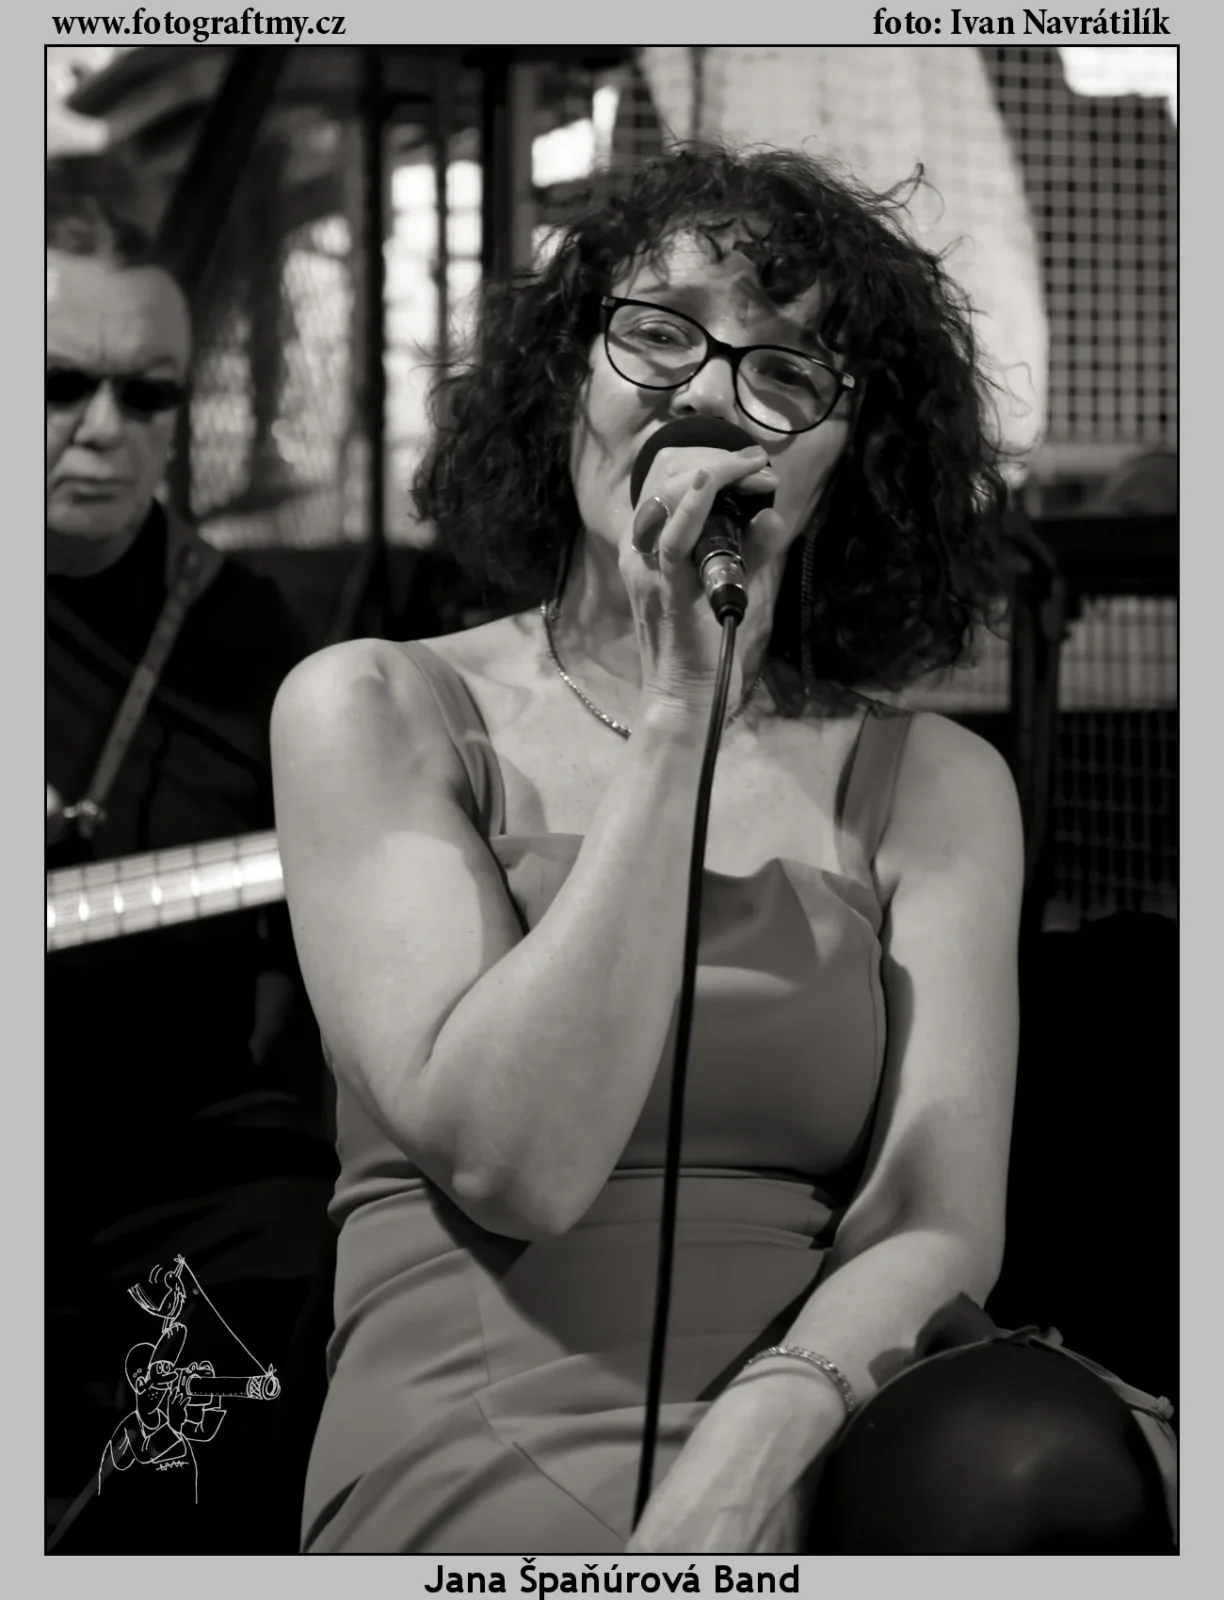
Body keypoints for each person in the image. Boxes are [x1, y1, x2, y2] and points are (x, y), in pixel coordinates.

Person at [272, 145, 1176, 1554]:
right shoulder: (373, 705)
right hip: (493, 1425)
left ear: (842, 460)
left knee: (1045, 1475)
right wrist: (681, 706)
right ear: (568, 372)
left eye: (786, 370)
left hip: (836, 1415)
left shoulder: (936, 783)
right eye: (660, 331)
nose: (702, 392)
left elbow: (934, 1216)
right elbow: (519, 1162)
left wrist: (768, 1431)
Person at [46, 190, 335, 1551]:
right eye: (56, 384)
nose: (104, 426)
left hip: (182, 1148)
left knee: (286, 1295)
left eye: (146, 392)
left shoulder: (252, 633)